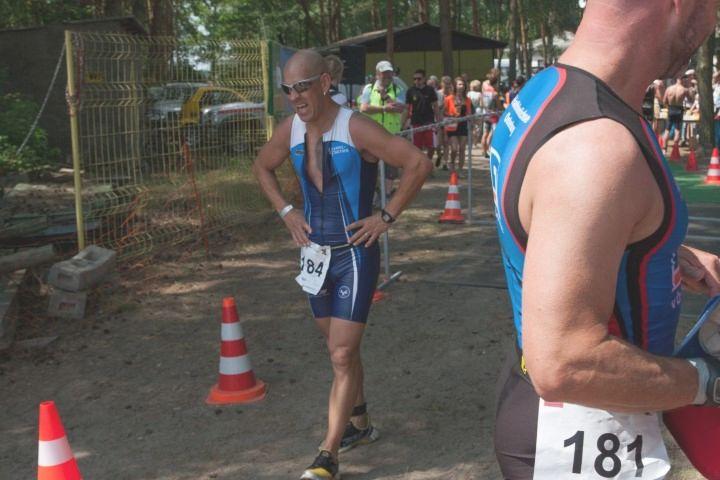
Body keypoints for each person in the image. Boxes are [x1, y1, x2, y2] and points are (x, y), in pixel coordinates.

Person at [489, 1, 720, 479]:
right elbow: (565, 362)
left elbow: (543, 220)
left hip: (574, 417)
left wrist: (655, 252)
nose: (712, 23)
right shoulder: (595, 145)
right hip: (578, 432)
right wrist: (706, 382)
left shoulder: (551, 88)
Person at [253, 50, 431, 480]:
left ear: (324, 82)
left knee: (341, 352)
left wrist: (385, 216)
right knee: (341, 352)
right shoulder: (290, 129)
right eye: (287, 89)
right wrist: (286, 212)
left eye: (302, 87)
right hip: (314, 256)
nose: (294, 97)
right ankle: (361, 422)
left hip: (354, 253)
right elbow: (262, 167)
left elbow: (418, 163)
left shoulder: (355, 126)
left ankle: (327, 454)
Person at [360, 60, 407, 202]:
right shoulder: (368, 89)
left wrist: (386, 97)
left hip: (391, 134)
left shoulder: (398, 89)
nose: (387, 76)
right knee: (371, 165)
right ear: (377, 74)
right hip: (372, 134)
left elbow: (400, 108)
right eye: (384, 73)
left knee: (391, 167)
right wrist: (384, 108)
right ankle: (374, 194)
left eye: (389, 73)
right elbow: (363, 108)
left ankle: (385, 195)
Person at [404, 69, 439, 162]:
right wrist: (404, 123)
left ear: (424, 79)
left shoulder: (430, 90)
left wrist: (439, 122)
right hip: (416, 122)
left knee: (431, 146)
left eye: (419, 79)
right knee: (416, 147)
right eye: (414, 79)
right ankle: (420, 165)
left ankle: (427, 162)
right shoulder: (410, 91)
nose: (416, 81)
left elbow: (436, 106)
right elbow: (407, 108)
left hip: (429, 121)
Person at [443, 77, 472, 174]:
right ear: (455, 86)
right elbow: (443, 112)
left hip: (463, 125)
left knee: (462, 148)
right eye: (459, 84)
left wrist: (469, 118)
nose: (461, 86)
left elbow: (469, 112)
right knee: (454, 148)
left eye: (463, 84)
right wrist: (451, 115)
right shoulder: (449, 98)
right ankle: (452, 164)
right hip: (452, 125)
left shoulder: (467, 99)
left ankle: (460, 170)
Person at [662, 75, 691, 153]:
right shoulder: (684, 90)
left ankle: (664, 149)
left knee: (667, 129)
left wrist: (669, 105)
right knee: (677, 130)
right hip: (679, 110)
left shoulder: (669, 89)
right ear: (682, 80)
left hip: (671, 109)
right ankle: (675, 149)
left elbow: (664, 101)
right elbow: (690, 99)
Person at [480, 69, 501, 158]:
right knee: (491, 133)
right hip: (493, 114)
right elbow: (498, 104)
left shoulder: (484, 85)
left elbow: (481, 98)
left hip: (485, 112)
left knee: (485, 133)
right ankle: (488, 149)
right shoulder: (494, 91)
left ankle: (483, 150)